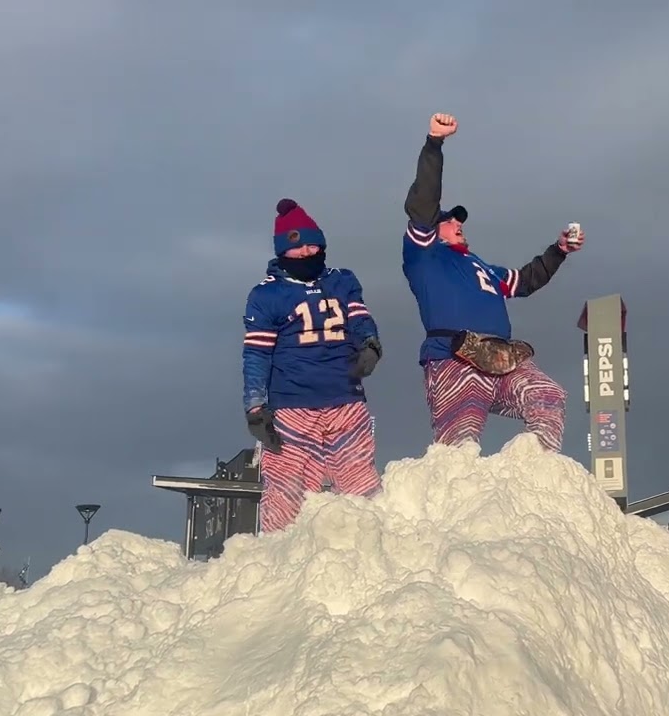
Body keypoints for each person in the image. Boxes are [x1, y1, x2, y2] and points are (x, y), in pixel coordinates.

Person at [401, 113, 580, 451]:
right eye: (450, 220)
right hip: (453, 358)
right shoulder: (425, 257)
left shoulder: (481, 265)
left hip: (501, 356)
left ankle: (535, 468)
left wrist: (559, 251)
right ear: (433, 230)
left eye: (460, 220)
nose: (458, 223)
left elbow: (525, 281)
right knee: (461, 447)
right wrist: (434, 145)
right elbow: (423, 204)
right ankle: (459, 492)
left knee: (547, 394)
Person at [242, 199, 382, 531]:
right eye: (297, 246)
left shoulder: (342, 281)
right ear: (281, 251)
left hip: (345, 397)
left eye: (312, 243)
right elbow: (256, 354)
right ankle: (277, 556)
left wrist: (371, 344)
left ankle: (370, 547)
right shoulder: (266, 296)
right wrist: (255, 406)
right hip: (292, 405)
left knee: (360, 483)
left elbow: (361, 318)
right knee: (286, 488)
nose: (306, 251)